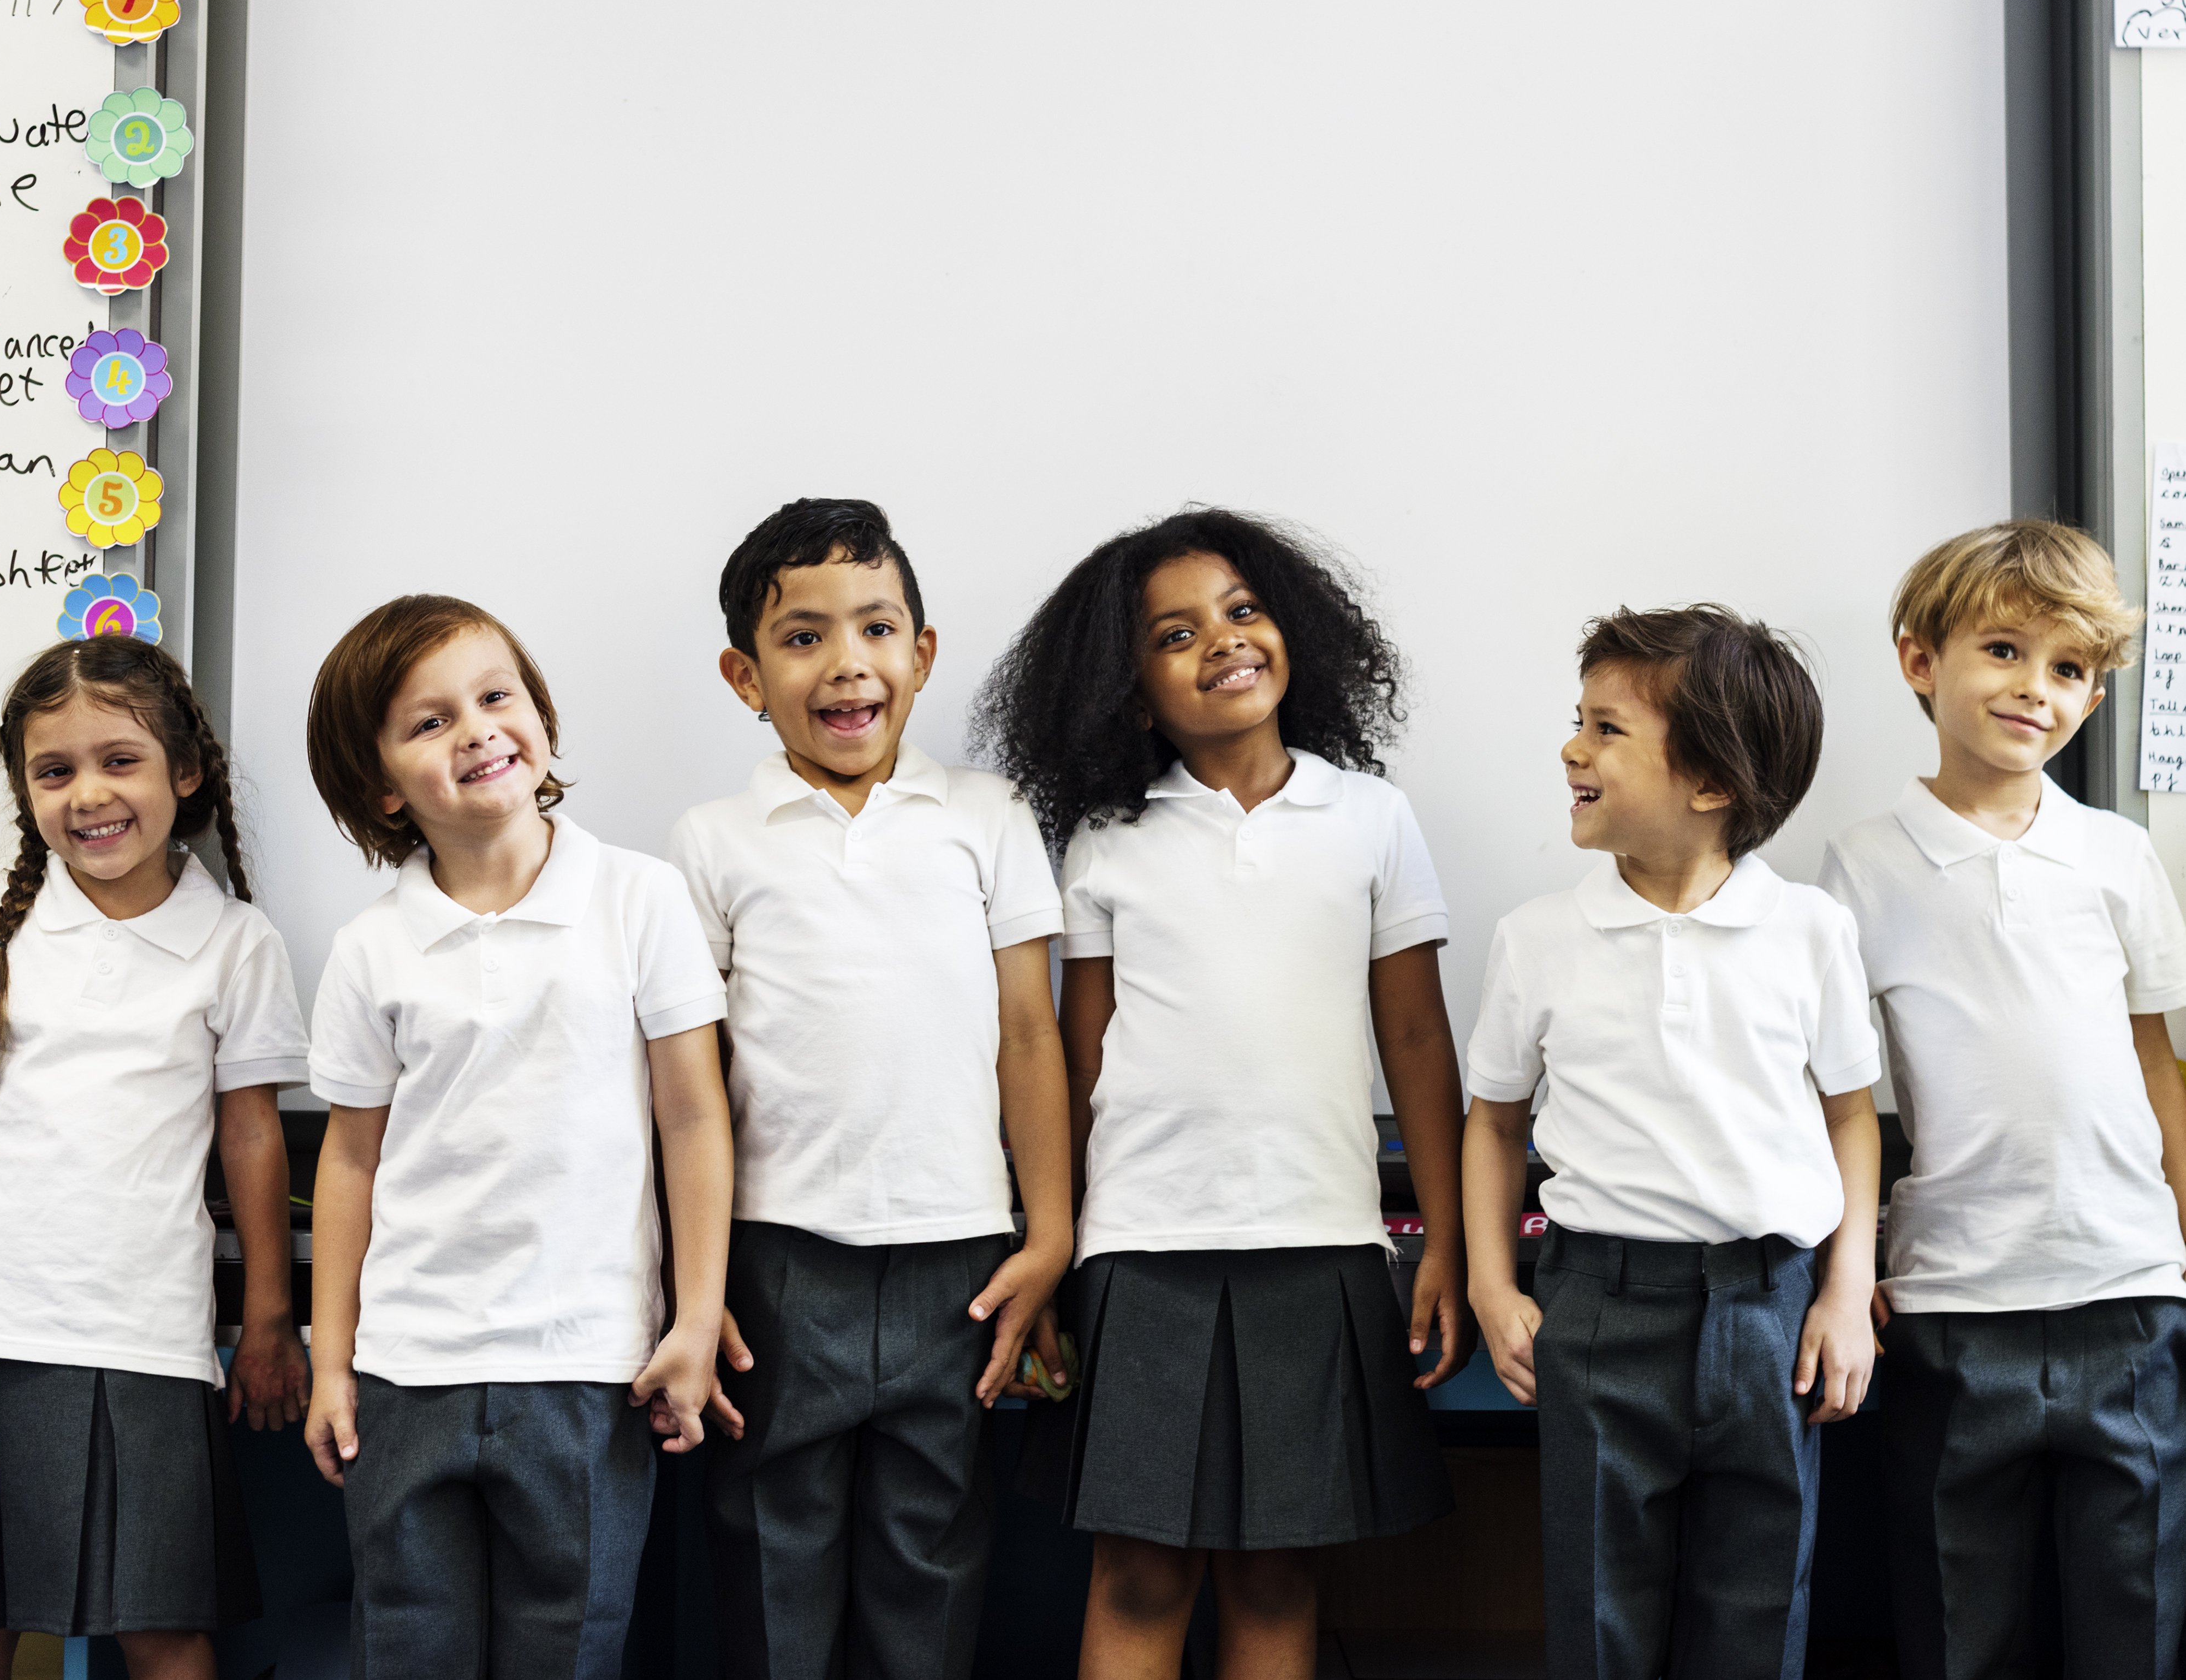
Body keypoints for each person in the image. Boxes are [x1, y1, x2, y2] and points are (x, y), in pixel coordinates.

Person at [969, 508, 1466, 1680]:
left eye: (1242, 611)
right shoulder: (1101, 839)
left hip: (1319, 1240)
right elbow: (1078, 1062)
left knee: (1275, 1571)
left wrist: (1446, 1239)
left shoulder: (1370, 821)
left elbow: (1415, 1038)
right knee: (1137, 1569)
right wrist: (1058, 1241)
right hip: (1140, 1251)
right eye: (1175, 633)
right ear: (1131, 693)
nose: (1224, 641)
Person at [663, 498, 1072, 1680]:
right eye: (802, 639)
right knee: (769, 1561)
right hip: (780, 1258)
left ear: (921, 652)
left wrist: (1046, 1236)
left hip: (961, 1260)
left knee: (930, 1557)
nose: (847, 665)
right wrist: (696, 1287)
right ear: (746, 674)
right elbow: (686, 1086)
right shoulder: (711, 840)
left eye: (877, 630)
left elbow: (1028, 1038)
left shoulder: (986, 819)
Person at [300, 595, 736, 1679]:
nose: (477, 729)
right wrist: (329, 1360)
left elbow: (692, 1117)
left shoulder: (640, 898)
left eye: (495, 696)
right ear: (379, 784)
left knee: (569, 1650)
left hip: (589, 1365)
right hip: (408, 1373)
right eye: (428, 721)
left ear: (539, 714)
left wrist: (694, 1319)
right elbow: (349, 1160)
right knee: (409, 1650)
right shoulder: (369, 948)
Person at [1464, 605, 1882, 1680]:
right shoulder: (1537, 938)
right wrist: (1486, 1281)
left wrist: (1843, 1293)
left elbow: (1848, 1116)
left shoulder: (1809, 933)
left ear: (1708, 783)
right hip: (1599, 1308)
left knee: (1755, 1604)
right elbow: (1494, 1119)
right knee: (1597, 1610)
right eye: (1578, 722)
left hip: (1769, 1311)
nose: (1571, 749)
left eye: (1605, 730)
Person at [1818, 522, 2186, 1679]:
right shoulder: (1860, 865)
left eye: (2068, 668)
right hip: (1951, 1301)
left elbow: (2153, 1062)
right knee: (1956, 1621)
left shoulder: (2116, 855)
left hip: (2125, 1291)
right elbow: (1838, 1095)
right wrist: (1845, 1267)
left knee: (2135, 1619)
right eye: (2003, 650)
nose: (2036, 689)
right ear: (1918, 661)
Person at [0, 635, 306, 1680]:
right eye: (55, 770)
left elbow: (253, 1133)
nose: (88, 793)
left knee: (164, 1627)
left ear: (185, 772)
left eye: (118, 760)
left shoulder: (234, 944)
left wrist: (267, 1319)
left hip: (138, 1336)